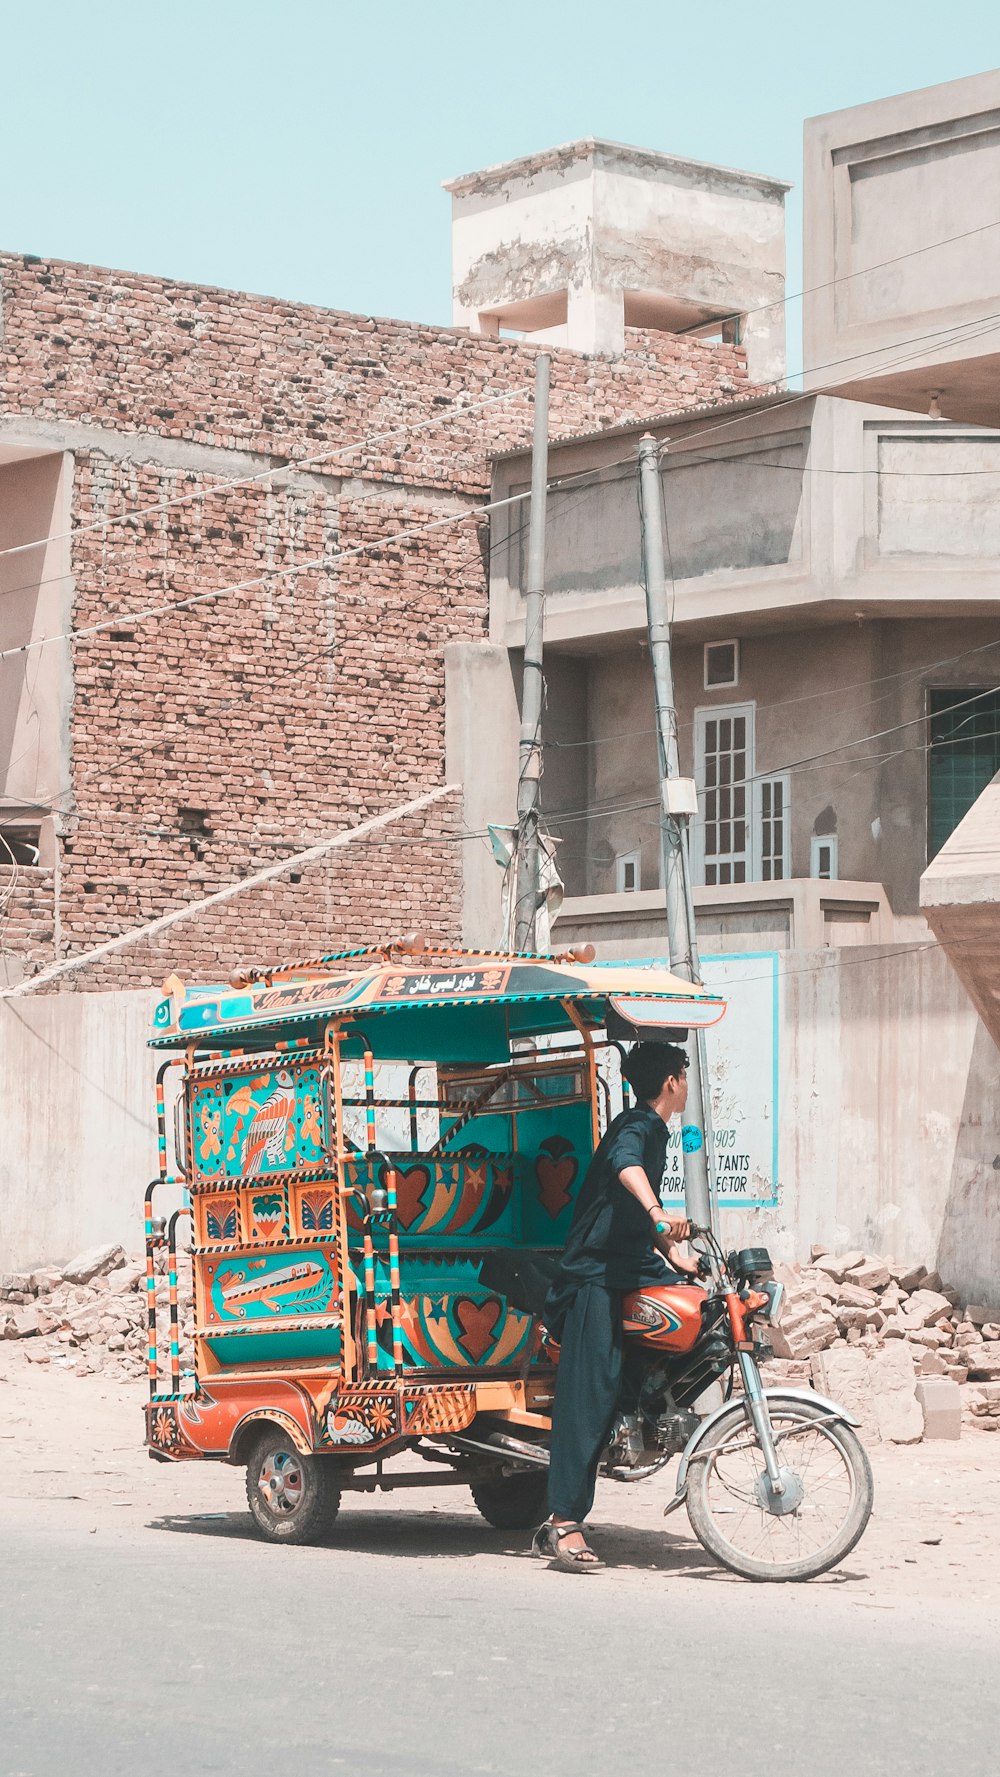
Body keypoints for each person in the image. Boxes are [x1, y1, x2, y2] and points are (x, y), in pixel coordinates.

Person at [532, 1041, 695, 1574]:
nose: (687, 1085)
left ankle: (644, 1415)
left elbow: (626, 1210)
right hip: (596, 1273)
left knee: (696, 1322)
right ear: (672, 1081)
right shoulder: (636, 1126)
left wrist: (674, 1252)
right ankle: (563, 1521)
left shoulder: (655, 1129)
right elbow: (626, 1171)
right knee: (589, 1393)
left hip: (630, 1264)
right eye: (685, 1076)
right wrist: (658, 1212)